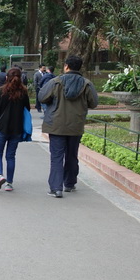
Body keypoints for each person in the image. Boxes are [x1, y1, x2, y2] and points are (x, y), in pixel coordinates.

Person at [38, 55, 99, 198]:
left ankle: (56, 188)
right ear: (80, 67)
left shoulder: (55, 82)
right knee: (72, 155)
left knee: (57, 157)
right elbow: (94, 103)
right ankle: (70, 183)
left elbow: (42, 97)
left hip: (56, 125)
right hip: (75, 125)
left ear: (66, 66)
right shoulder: (86, 84)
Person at [0, 67, 30, 192]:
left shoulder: (1, 91)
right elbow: (27, 109)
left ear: (7, 77)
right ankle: (9, 183)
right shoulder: (24, 92)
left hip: (1, 127)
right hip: (17, 128)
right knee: (11, 156)